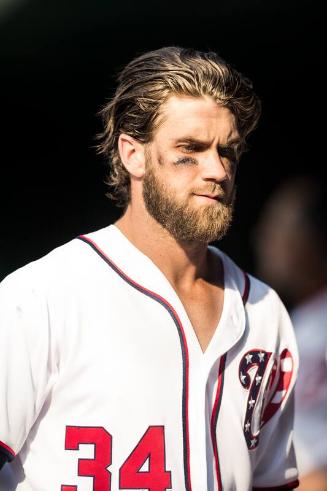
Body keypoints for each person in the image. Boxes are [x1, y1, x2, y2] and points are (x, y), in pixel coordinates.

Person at [0, 46, 299, 490]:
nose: (216, 169)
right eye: (190, 149)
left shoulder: (263, 309)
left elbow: (274, 481)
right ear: (133, 155)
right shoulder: (40, 296)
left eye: (228, 151)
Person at [254, 175, 327, 491]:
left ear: (315, 242)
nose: (262, 239)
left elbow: (313, 472)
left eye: (278, 229)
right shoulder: (299, 321)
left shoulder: (315, 330)